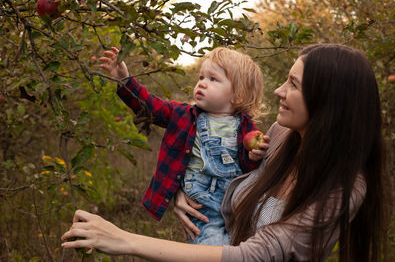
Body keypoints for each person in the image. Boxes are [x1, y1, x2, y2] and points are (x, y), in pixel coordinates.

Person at [61, 44, 384, 261]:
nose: (278, 91)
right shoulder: (282, 136)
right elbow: (231, 176)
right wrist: (183, 190)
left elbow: (254, 255)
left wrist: (124, 240)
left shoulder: (344, 188)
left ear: (329, 102)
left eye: (293, 84)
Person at [98, 46, 269, 245]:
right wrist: (125, 80)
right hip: (202, 205)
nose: (202, 84)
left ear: (237, 95)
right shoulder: (183, 115)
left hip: (236, 201)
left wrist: (253, 157)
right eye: (201, 77)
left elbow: (246, 169)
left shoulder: (247, 127)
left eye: (213, 79)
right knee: (212, 249)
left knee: (248, 246)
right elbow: (150, 106)